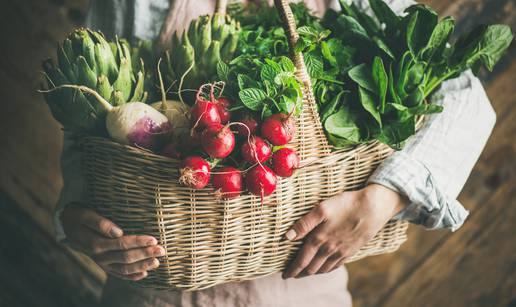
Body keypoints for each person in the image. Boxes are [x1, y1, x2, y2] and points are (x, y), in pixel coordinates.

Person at [55, 0, 497, 306]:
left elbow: (464, 94)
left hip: (299, 285)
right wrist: (78, 219)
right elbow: (89, 130)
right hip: (150, 290)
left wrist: (384, 196)